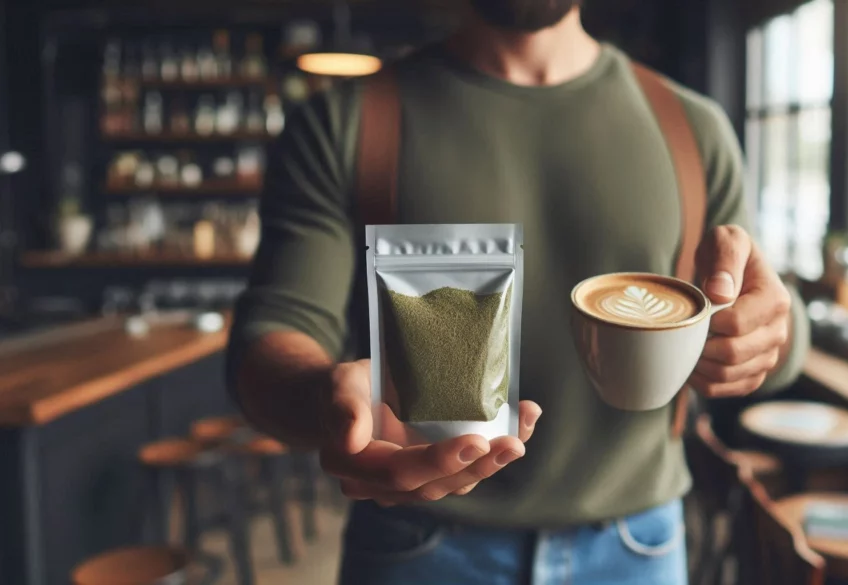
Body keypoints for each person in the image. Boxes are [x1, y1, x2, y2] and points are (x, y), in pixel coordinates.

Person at [228, 1, 809, 583]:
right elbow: (273, 333)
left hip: (638, 547)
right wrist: (324, 400)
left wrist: (767, 334)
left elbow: (771, 325)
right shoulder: (343, 122)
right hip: (417, 544)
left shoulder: (694, 128)